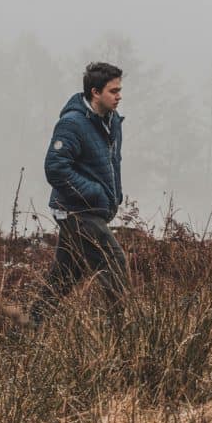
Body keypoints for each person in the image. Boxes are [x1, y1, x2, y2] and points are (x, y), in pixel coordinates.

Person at [34, 62, 127, 319]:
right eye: (113, 91)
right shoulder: (72, 124)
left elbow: (112, 162)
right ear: (95, 92)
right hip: (75, 211)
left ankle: (30, 328)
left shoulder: (112, 121)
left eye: (120, 90)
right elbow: (55, 168)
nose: (119, 96)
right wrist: (96, 194)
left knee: (64, 277)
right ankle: (121, 333)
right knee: (114, 261)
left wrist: (114, 195)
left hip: (93, 210)